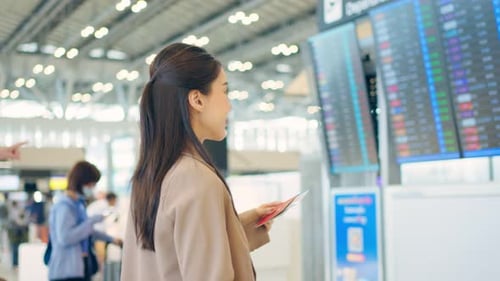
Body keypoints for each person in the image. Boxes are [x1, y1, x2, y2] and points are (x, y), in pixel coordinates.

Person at [121, 43, 280, 281]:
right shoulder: (196, 179)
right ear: (197, 99)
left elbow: (171, 255)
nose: (229, 105)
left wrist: (240, 224)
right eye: (224, 92)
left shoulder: (152, 174)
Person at [48, 161, 122, 281]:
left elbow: (87, 232)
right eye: (91, 184)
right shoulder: (65, 206)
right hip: (66, 271)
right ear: (81, 182)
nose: (92, 188)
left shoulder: (78, 204)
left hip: (79, 268)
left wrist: (112, 239)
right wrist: (92, 220)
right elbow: (65, 237)